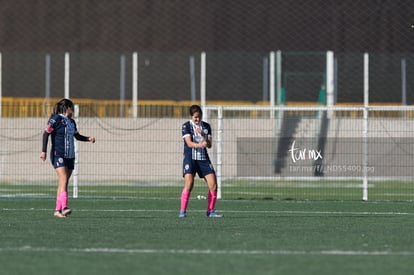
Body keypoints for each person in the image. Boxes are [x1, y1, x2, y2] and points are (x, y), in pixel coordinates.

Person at [40, 98, 95, 218]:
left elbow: (77, 135)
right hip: (58, 154)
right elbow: (46, 133)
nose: (73, 110)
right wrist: (43, 151)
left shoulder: (71, 122)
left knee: (63, 182)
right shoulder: (55, 119)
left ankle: (57, 210)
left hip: (70, 155)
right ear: (67, 108)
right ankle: (64, 207)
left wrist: (88, 139)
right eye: (72, 107)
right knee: (63, 178)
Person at [179, 105, 223, 218]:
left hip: (203, 159)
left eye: (199, 117)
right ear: (191, 116)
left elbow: (209, 145)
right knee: (189, 183)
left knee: (213, 185)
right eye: (195, 117)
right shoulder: (186, 126)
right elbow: (189, 143)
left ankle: (210, 211)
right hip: (190, 158)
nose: (197, 119)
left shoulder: (206, 126)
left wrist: (203, 135)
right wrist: (200, 145)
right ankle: (182, 211)